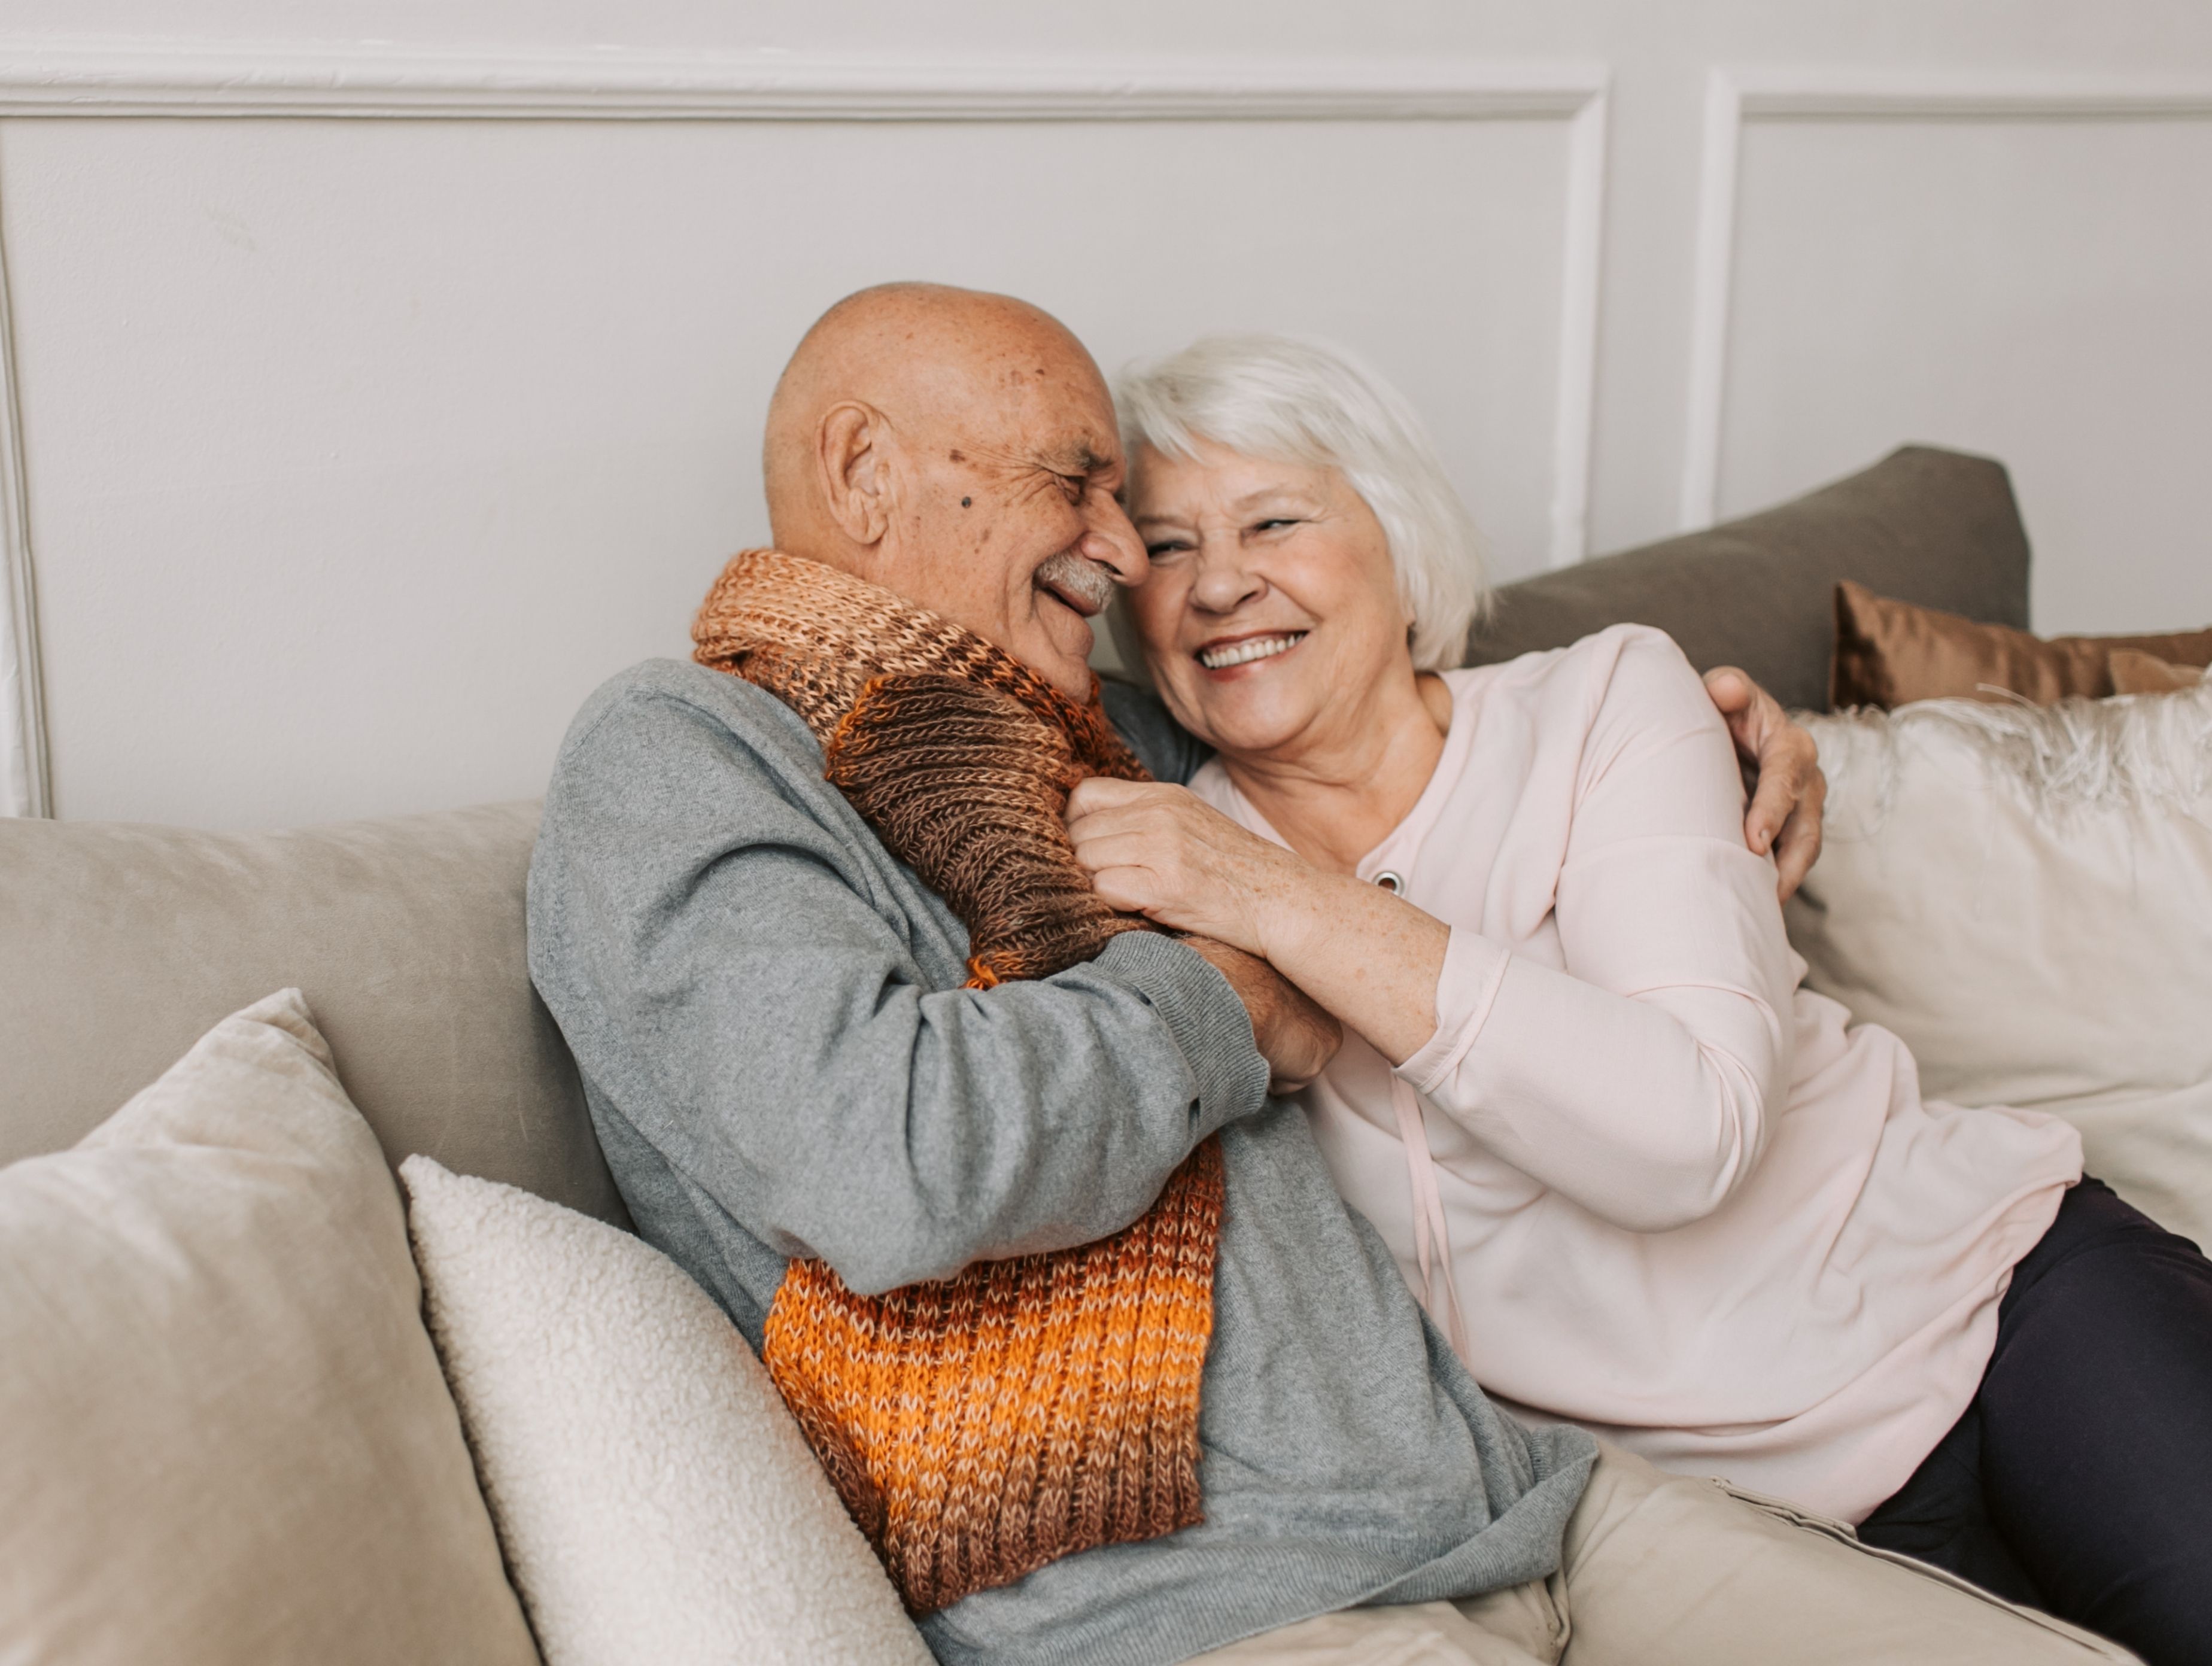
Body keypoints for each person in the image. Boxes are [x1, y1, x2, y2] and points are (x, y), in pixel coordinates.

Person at [527, 282, 2129, 1666]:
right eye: (1089, 494)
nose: (1126, 554)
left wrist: (1747, 739)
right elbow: (884, 1162)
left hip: (1536, 1504)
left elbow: (1375, 705)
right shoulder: (685, 757)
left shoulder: (1107, 737)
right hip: (1243, 1611)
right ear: (864, 470)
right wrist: (1234, 1002)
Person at [1066, 329, 2212, 1666]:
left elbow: (1689, 1134)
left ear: (1398, 538)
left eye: (1275, 520)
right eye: (1168, 548)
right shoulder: (1159, 858)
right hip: (1723, 1528)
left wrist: (1291, 904)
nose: (1221, 586)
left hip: (1992, 1306)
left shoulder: (1607, 702)